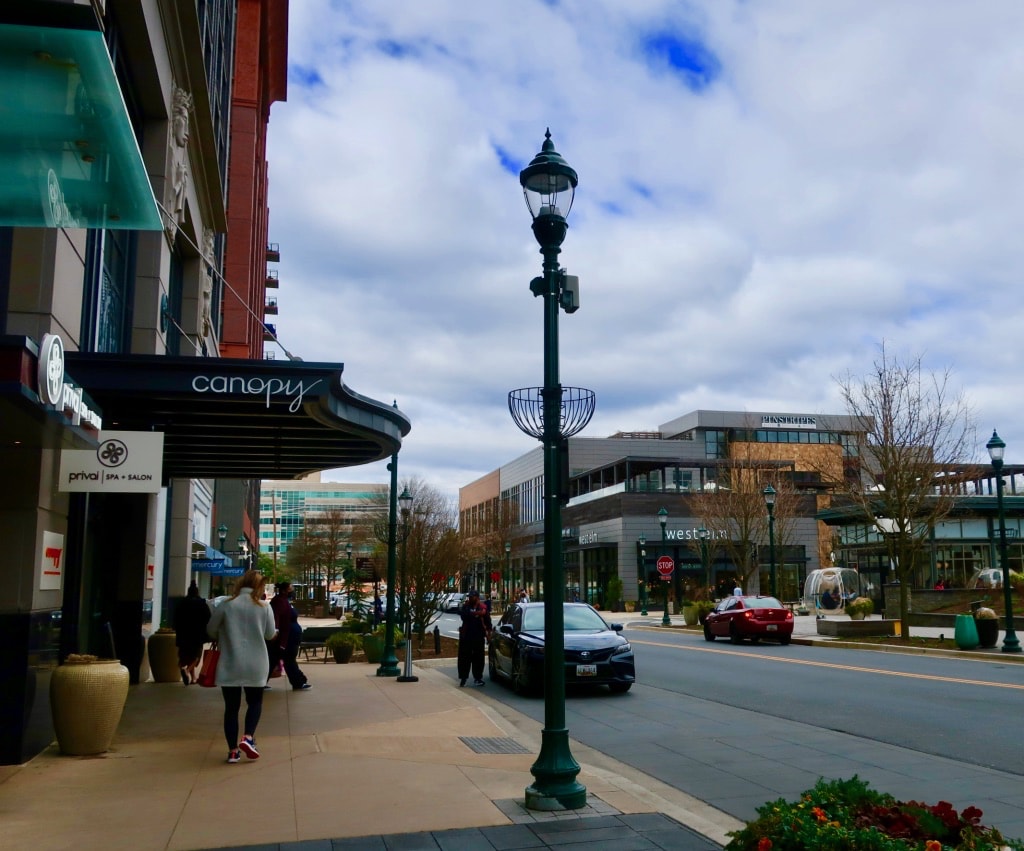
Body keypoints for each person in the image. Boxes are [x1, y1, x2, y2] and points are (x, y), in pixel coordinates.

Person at [206, 570, 277, 764]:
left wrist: (225, 632)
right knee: (255, 702)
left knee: (231, 708)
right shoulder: (264, 607)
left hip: (230, 662)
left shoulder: (226, 605)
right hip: (256, 663)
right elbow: (270, 634)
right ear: (259, 586)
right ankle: (248, 737)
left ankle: (232, 751)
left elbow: (211, 630)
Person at [269, 581, 310, 691]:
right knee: (286, 659)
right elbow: (276, 618)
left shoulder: (285, 601)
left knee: (279, 659)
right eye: (290, 589)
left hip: (290, 636)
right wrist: (276, 631)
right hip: (285, 637)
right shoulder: (278, 601)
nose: (292, 591)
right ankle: (298, 682)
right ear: (284, 591)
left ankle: (298, 681)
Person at [174, 581, 211, 685]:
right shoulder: (202, 603)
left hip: (183, 635)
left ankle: (193, 677)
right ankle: (187, 670)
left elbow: (176, 618)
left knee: (185, 655)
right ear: (197, 592)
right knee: (196, 656)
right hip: (197, 635)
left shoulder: (181, 603)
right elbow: (208, 618)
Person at [457, 589, 491, 687]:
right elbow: (464, 616)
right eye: (470, 596)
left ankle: (478, 678)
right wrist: (477, 614)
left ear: (477, 597)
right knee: (464, 658)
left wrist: (489, 634)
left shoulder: (483, 607)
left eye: (473, 596)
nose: (471, 598)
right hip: (466, 636)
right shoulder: (466, 606)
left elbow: (488, 622)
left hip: (478, 636)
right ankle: (463, 678)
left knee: (479, 658)